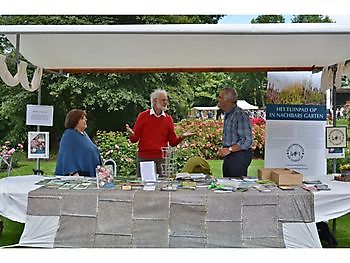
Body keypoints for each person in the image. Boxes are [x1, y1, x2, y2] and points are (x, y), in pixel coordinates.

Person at [126, 89, 194, 177]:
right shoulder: (143, 116)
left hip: (162, 159)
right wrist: (131, 134)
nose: (166, 102)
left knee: (162, 186)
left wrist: (183, 136)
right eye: (163, 100)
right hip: (145, 159)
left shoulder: (168, 119)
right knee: (143, 188)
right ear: (155, 101)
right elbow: (134, 140)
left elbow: (173, 142)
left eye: (166, 100)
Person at [217, 87, 253, 178]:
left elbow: (246, 141)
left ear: (227, 100)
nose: (218, 99)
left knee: (236, 187)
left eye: (220, 97)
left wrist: (229, 149)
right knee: (228, 186)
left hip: (238, 156)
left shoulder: (239, 115)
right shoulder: (228, 114)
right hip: (231, 156)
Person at [55, 109, 101, 177]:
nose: (86, 119)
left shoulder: (84, 134)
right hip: (79, 176)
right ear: (75, 121)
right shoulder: (69, 135)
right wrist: (74, 174)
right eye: (82, 118)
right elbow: (66, 156)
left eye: (85, 118)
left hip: (91, 173)